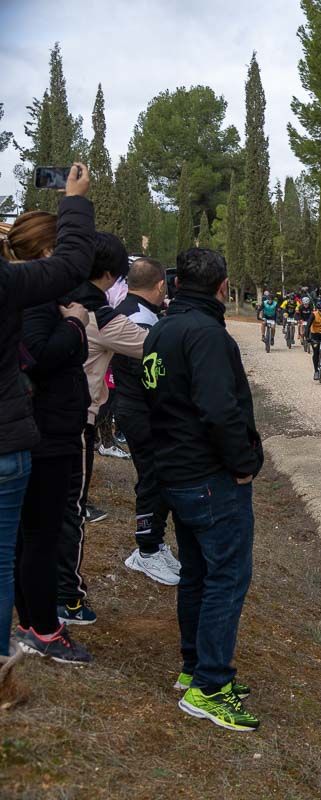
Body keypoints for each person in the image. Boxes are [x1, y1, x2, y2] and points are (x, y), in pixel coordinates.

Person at [142, 248, 262, 732]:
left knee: (196, 575)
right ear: (223, 287)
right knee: (226, 579)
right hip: (210, 476)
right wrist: (244, 463)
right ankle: (210, 686)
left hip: (175, 472)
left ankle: (194, 667)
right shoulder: (208, 335)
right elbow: (219, 409)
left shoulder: (162, 328)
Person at [0, 163, 94, 679]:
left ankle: (33, 620)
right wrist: (77, 328)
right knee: (38, 535)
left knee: (28, 536)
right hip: (42, 433)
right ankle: (40, 627)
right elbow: (39, 352)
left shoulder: (33, 293)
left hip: (38, 428)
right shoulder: (34, 299)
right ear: (44, 255)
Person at [58, 232, 136, 625]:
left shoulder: (55, 294)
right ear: (110, 275)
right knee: (72, 509)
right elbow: (151, 344)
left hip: (40, 415)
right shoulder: (99, 315)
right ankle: (67, 598)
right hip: (77, 419)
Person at [112, 258, 177, 585]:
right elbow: (150, 371)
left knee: (156, 474)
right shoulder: (138, 318)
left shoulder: (131, 310)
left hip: (134, 408)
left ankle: (154, 543)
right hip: (140, 411)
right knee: (153, 476)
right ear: (160, 285)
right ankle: (147, 549)